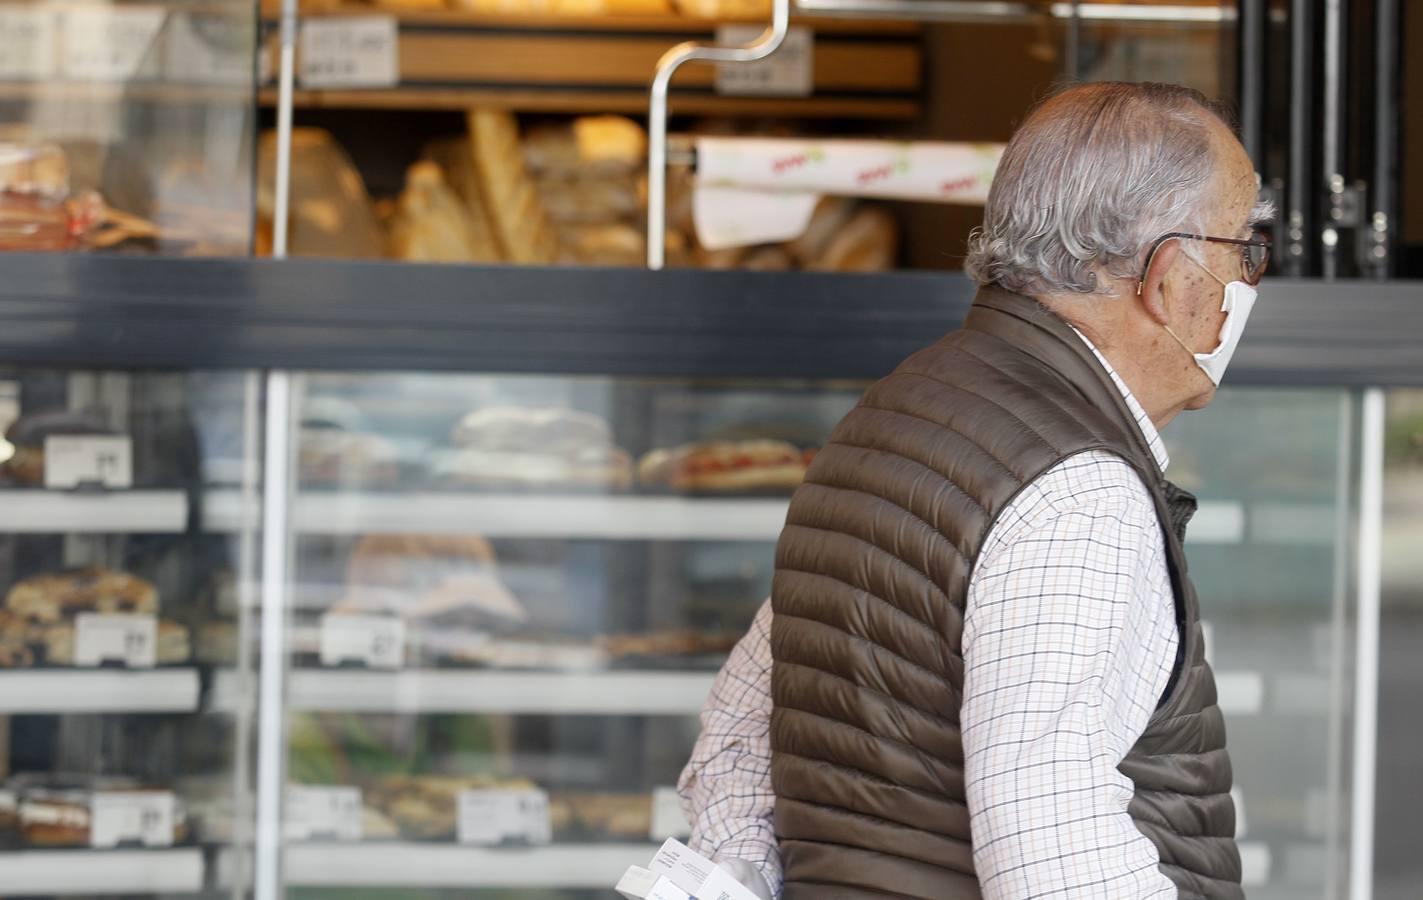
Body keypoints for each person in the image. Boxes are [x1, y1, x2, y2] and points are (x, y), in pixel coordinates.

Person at [676, 81, 1271, 900]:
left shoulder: (892, 414)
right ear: (1169, 278)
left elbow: (739, 739)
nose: (1249, 281)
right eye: (1245, 248)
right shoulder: (1077, 493)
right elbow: (1053, 864)